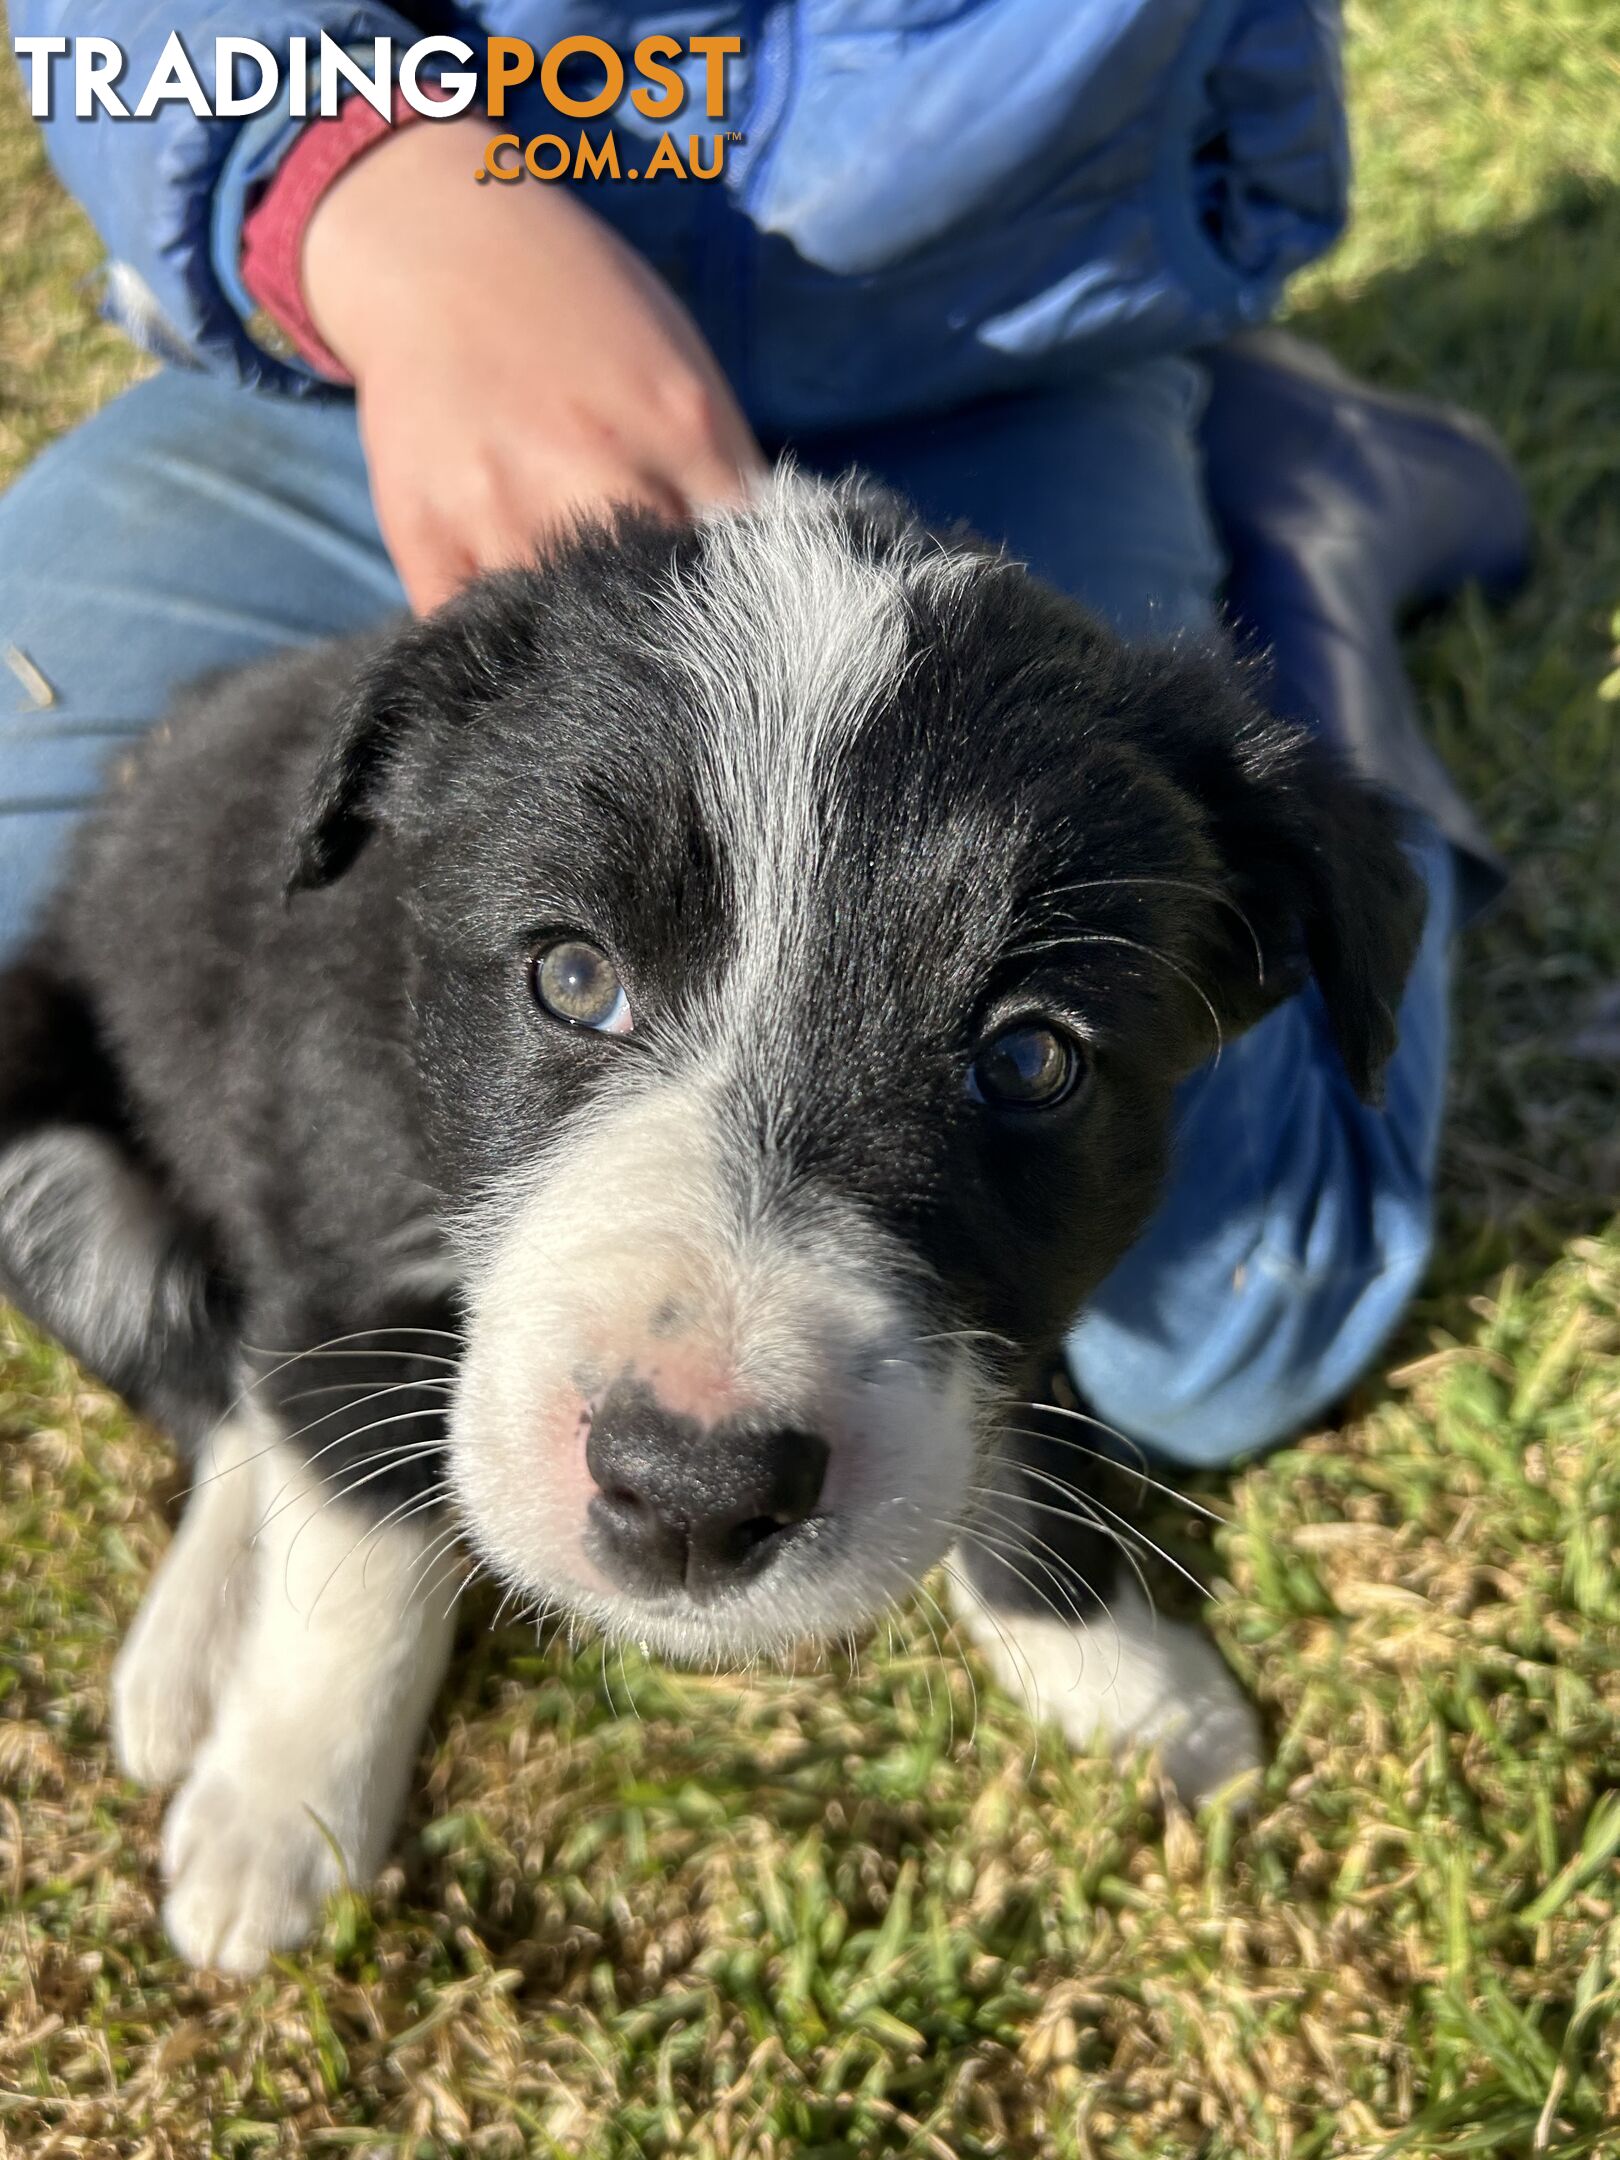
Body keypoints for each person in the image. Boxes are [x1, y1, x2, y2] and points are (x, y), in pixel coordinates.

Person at [0, 2, 1528, 1469]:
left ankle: (1309, 516)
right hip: (401, 311)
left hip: (999, 353)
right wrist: (356, 182)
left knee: (1241, 1319)